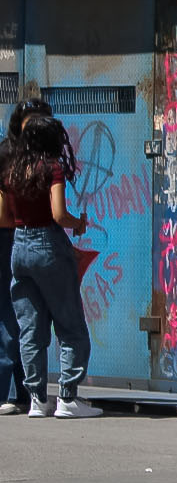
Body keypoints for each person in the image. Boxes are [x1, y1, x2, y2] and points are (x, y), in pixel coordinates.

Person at [0, 107, 101, 418]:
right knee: (69, 323)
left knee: (30, 327)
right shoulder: (52, 168)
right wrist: (77, 224)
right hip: (48, 245)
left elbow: (3, 217)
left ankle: (36, 398)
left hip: (19, 246)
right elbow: (58, 213)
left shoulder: (11, 170)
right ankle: (68, 397)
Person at [0, 104, 30, 414]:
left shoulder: (16, 153)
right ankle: (14, 391)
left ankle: (16, 390)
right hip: (12, 236)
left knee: (15, 313)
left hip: (14, 237)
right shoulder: (17, 156)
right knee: (15, 313)